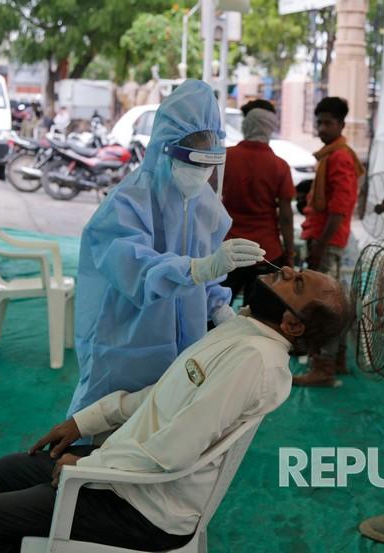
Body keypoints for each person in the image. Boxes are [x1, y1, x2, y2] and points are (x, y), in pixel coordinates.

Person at [0, 266, 352, 553]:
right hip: (134, 475)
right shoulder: (246, 332)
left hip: (145, 508)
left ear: (293, 325)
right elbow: (161, 397)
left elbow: (175, 450)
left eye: (295, 282)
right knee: (5, 471)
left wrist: (90, 470)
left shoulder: (254, 361)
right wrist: (84, 421)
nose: (284, 269)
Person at [68, 79, 265, 426]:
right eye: (193, 162)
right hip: (127, 340)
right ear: (164, 148)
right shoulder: (128, 203)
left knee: (166, 423)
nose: (201, 174)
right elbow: (132, 268)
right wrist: (198, 269)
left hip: (186, 343)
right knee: (106, 424)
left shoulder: (203, 204)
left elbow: (205, 275)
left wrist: (219, 307)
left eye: (209, 164)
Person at [294, 97, 365, 387]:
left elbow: (338, 209)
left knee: (325, 306)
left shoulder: (339, 158)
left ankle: (323, 368)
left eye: (328, 123)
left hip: (330, 242)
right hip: (326, 239)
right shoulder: (330, 156)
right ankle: (337, 361)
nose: (322, 128)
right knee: (335, 302)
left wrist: (320, 246)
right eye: (319, 122)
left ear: (341, 124)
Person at [221, 102, 296, 303]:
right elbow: (286, 217)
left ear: (246, 125)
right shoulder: (280, 166)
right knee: (258, 316)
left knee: (216, 310)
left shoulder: (225, 158)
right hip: (266, 252)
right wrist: (289, 252)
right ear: (270, 128)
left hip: (229, 249)